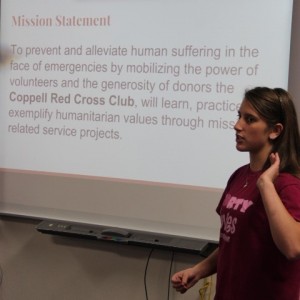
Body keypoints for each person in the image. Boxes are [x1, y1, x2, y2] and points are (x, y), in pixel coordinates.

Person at [172, 87, 300, 299]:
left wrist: (266, 185)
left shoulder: (288, 185)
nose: (237, 126)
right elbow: (234, 244)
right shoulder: (239, 176)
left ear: (275, 130)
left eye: (250, 119)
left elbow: (293, 248)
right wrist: (199, 270)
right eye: (239, 116)